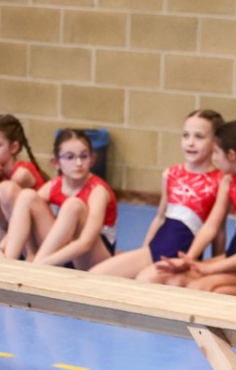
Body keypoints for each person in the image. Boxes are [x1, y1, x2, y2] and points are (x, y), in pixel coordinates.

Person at [142, 120, 236, 296]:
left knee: (198, 288)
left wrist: (211, 268)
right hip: (233, 257)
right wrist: (189, 259)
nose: (213, 158)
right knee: (174, 280)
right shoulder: (228, 182)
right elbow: (211, 226)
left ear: (231, 155)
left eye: (216, 152)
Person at [91, 110, 226, 279]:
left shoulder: (220, 181)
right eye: (186, 135)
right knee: (95, 276)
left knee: (144, 280)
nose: (190, 143)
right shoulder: (171, 174)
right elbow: (160, 217)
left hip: (181, 258)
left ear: (215, 142)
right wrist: (144, 249)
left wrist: (212, 266)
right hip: (154, 250)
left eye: (199, 137)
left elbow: (218, 230)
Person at [0, 128, 118, 270]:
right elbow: (20, 215)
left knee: (73, 206)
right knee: (27, 196)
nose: (78, 163)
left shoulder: (98, 191)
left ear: (92, 159)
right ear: (56, 162)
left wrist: (40, 264)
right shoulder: (54, 185)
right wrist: (1, 248)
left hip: (94, 257)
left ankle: (36, 266)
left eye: (84, 156)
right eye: (70, 157)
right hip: (63, 254)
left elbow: (86, 243)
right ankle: (7, 262)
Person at [0, 113, 49, 254]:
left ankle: (28, 254)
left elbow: (7, 222)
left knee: (5, 189)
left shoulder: (22, 174)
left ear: (14, 147)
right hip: (6, 239)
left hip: (38, 240)